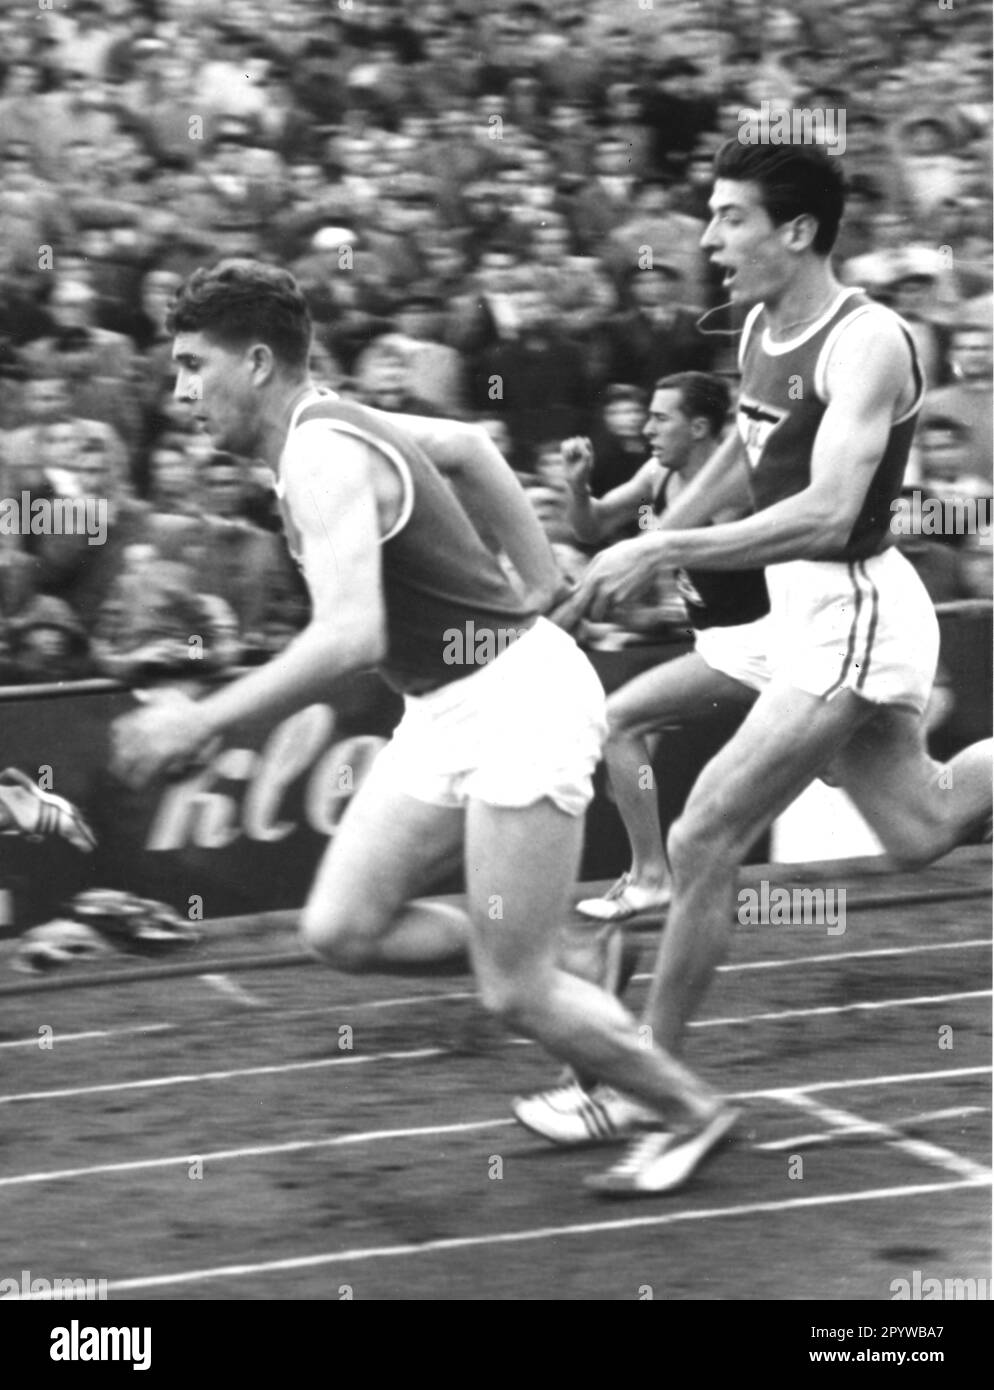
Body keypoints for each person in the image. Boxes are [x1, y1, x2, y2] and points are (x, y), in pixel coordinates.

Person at [110, 259, 728, 1162]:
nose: (179, 394)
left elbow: (351, 635)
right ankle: (579, 961)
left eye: (192, 366)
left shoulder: (320, 451)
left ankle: (689, 1110)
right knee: (341, 929)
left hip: (519, 701)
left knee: (510, 992)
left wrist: (203, 720)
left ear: (254, 362)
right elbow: (475, 449)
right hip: (444, 707)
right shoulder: (330, 423)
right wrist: (544, 573)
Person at [517, 139, 993, 1195]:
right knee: (920, 827)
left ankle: (649, 1086)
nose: (705, 238)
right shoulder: (761, 328)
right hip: (816, 615)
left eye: (728, 217)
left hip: (854, 609)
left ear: (796, 232)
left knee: (703, 833)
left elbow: (828, 510)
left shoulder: (868, 341)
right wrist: (631, 551)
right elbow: (742, 451)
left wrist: (666, 548)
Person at [553, 372, 769, 925]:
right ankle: (650, 874)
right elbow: (590, 527)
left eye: (660, 417)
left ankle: (652, 878)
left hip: (763, 645)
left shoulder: (741, 484)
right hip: (722, 644)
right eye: (647, 415)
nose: (646, 428)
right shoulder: (659, 473)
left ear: (699, 428)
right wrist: (578, 486)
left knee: (618, 720)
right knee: (621, 725)